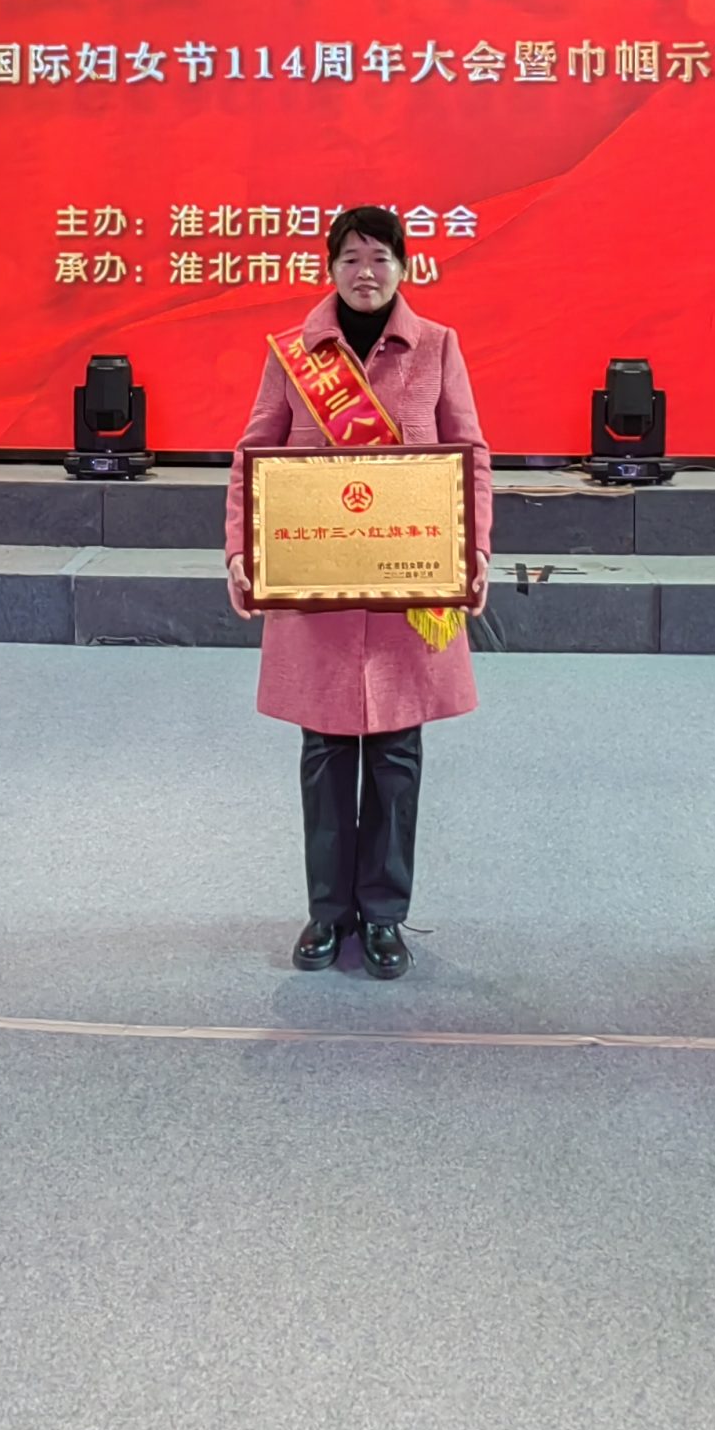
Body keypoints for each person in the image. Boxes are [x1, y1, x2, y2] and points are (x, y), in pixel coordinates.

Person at [225, 204, 492, 979]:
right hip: (321, 590)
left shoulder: (438, 346)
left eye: (380, 258)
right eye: (350, 258)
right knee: (326, 753)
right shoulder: (293, 354)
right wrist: (242, 550)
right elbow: (252, 456)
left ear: (403, 267)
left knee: (398, 756)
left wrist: (474, 547)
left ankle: (383, 915)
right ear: (330, 268)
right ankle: (326, 912)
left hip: (410, 586)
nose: (365, 272)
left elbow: (470, 453)